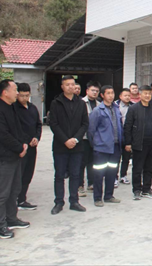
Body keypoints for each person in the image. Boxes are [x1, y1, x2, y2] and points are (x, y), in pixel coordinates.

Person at [0, 80, 30, 239]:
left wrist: (23, 144)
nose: (17, 93)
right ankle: (0, 226)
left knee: (14, 190)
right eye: (14, 90)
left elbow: (18, 130)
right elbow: (3, 135)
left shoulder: (12, 108)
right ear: (5, 93)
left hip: (15, 156)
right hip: (4, 158)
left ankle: (11, 218)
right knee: (2, 193)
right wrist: (19, 148)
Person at [49, 75, 89, 215]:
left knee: (75, 174)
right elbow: (53, 124)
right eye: (67, 84)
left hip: (77, 146)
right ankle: (59, 202)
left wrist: (76, 139)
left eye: (72, 84)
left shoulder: (81, 103)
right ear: (62, 87)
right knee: (59, 175)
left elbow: (85, 123)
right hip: (60, 145)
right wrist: (65, 140)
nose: (71, 87)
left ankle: (74, 201)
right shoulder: (56, 103)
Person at [88, 86, 123, 207]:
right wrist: (96, 144)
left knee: (111, 173)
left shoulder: (116, 108)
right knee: (99, 174)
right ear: (102, 95)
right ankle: (97, 198)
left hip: (115, 146)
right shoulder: (98, 110)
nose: (111, 95)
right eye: (108, 93)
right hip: (101, 148)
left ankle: (109, 195)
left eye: (112, 93)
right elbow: (91, 130)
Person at [124, 85, 152, 200]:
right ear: (140, 94)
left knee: (149, 168)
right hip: (139, 143)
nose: (147, 95)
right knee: (137, 168)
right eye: (145, 93)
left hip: (151, 143)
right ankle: (137, 190)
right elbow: (128, 126)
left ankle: (146, 189)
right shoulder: (133, 109)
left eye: (149, 93)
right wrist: (128, 142)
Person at [14, 83, 41, 211]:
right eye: (22, 95)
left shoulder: (33, 108)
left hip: (32, 147)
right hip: (20, 147)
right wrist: (25, 141)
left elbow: (38, 125)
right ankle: (14, 199)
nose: (24, 98)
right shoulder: (14, 109)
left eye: (27, 95)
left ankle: (22, 199)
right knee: (18, 174)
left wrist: (36, 137)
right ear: (17, 95)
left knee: (28, 173)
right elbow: (16, 128)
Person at [80, 81, 100, 197]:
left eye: (97, 91)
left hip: (96, 138)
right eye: (93, 90)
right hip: (83, 138)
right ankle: (80, 185)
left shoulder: (99, 104)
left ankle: (91, 182)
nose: (95, 92)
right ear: (87, 91)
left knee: (93, 162)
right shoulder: (81, 103)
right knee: (81, 162)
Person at [116, 89, 132, 185]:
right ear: (120, 96)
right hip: (117, 134)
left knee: (126, 157)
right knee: (116, 158)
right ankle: (114, 176)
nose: (127, 97)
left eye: (129, 95)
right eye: (125, 95)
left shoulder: (133, 106)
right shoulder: (115, 106)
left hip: (128, 135)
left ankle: (123, 175)